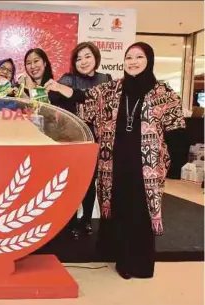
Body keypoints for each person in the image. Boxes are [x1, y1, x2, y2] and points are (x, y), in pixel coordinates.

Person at [43, 42, 186, 279]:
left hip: (146, 166)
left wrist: (171, 164)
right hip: (115, 161)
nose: (133, 61)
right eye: (129, 57)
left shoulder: (163, 93)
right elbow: (84, 97)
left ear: (149, 60)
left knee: (139, 212)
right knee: (119, 206)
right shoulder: (112, 89)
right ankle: (119, 256)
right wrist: (58, 86)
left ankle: (137, 263)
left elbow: (177, 130)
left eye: (139, 57)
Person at [56, 42, 112, 240]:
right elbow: (54, 99)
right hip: (74, 139)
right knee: (72, 181)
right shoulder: (68, 79)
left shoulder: (106, 79)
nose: (83, 62)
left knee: (90, 182)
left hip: (98, 140)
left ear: (96, 58)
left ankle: (86, 219)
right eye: (78, 58)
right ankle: (69, 220)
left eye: (87, 56)